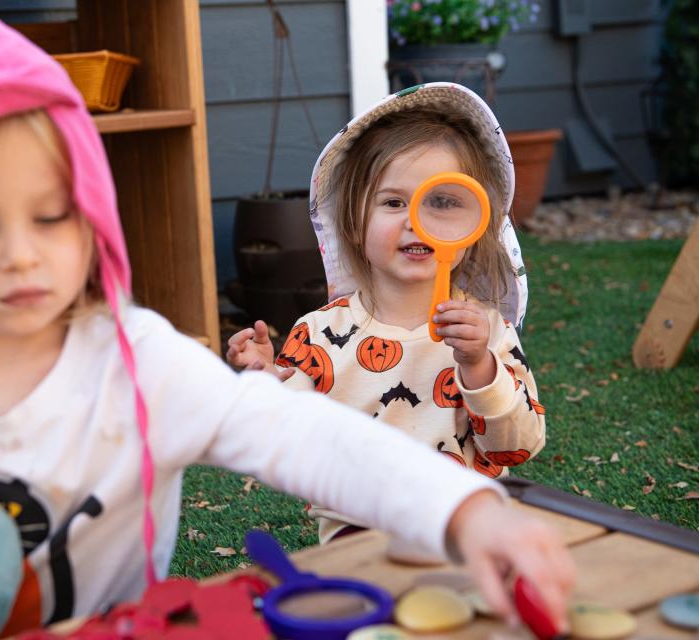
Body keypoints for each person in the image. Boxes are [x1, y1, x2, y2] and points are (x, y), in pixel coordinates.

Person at [0, 10, 573, 639]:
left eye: (54, 216)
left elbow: (310, 435)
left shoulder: (137, 365)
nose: (24, 256)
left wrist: (466, 509)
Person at [227, 83, 546, 545]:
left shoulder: (488, 333)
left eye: (442, 201)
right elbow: (285, 443)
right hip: (355, 534)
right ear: (354, 223)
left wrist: (479, 367)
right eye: (394, 202)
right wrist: (263, 380)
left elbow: (516, 446)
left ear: (474, 225)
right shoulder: (318, 335)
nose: (416, 220)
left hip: (462, 528)